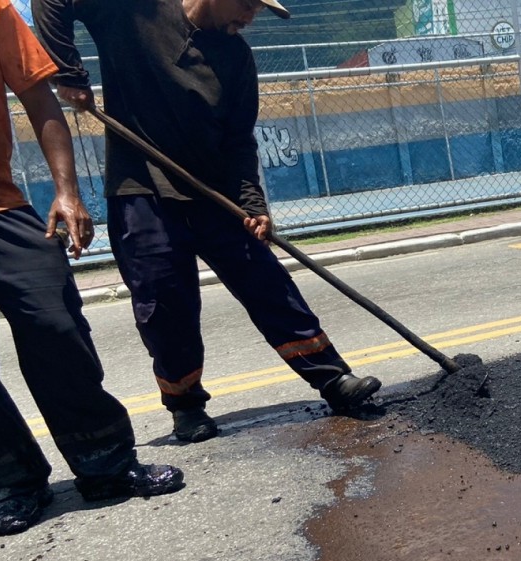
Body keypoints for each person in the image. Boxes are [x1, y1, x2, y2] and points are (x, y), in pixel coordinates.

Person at [32, 0, 383, 444]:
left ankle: (333, 380)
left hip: (216, 194)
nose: (250, 17)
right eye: (247, 5)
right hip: (142, 189)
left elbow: (239, 139)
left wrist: (253, 203)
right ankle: (186, 405)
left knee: (269, 286)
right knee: (164, 304)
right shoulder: (135, 14)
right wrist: (68, 73)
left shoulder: (237, 57)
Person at [0, 0, 184, 536]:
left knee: (57, 326)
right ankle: (16, 483)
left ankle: (107, 466)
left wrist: (67, 193)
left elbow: (39, 99)